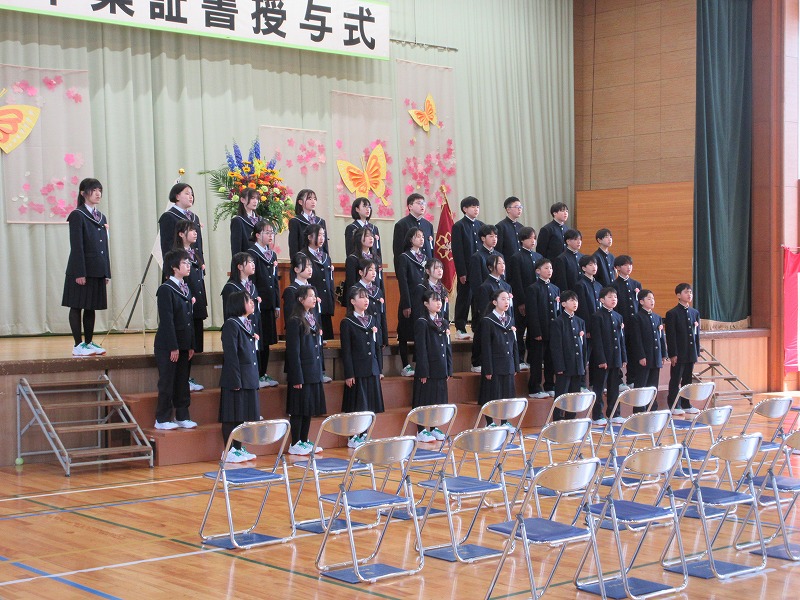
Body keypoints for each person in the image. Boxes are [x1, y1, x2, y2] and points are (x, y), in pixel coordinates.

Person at [62, 178, 110, 357]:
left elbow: (104, 247)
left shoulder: (101, 216)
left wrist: (106, 272)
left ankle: (88, 343)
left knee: (91, 307)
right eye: (93, 190)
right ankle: (78, 344)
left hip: (97, 269)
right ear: (83, 193)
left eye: (99, 190)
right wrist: (79, 272)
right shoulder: (77, 214)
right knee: (77, 306)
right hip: (81, 269)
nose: (98, 193)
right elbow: (77, 246)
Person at [154, 249, 196, 430]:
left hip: (184, 344)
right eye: (185, 263)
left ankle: (182, 416)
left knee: (182, 381)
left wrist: (191, 345)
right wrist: (173, 346)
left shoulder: (185, 288)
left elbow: (189, 320)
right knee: (167, 381)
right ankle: (162, 419)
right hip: (168, 345)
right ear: (174, 267)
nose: (188, 266)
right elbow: (167, 320)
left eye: (189, 262)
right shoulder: (166, 289)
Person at [218, 290, 259, 464]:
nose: (252, 303)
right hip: (236, 378)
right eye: (248, 300)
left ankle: (238, 448)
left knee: (241, 415)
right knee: (231, 416)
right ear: (238, 304)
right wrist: (235, 379)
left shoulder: (247, 324)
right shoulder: (231, 324)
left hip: (247, 377)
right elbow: (231, 355)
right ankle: (229, 450)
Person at [340, 286, 384, 448]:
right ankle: (353, 436)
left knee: (369, 405)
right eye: (361, 297)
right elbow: (346, 350)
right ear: (352, 301)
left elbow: (377, 346)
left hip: (372, 369)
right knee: (357, 405)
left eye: (367, 297)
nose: (366, 300)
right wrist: (349, 373)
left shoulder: (372, 320)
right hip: (357, 370)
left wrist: (379, 369)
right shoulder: (347, 322)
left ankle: (364, 434)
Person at [285, 286, 327, 455]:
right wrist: (296, 377)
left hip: (313, 370)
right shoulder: (295, 320)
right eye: (310, 296)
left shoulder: (312, 317)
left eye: (314, 295)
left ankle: (304, 439)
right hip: (301, 372)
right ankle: (295, 442)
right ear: (300, 299)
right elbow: (293, 351)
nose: (314, 298)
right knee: (298, 409)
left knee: (308, 408)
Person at [412, 289, 453, 442]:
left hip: (441, 368)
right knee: (424, 400)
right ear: (426, 304)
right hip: (428, 369)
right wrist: (423, 371)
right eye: (434, 300)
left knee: (438, 400)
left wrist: (449, 368)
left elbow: (447, 347)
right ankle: (421, 430)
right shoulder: (422, 322)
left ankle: (434, 427)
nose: (438, 303)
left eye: (439, 300)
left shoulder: (443, 322)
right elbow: (421, 348)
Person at [174, 221, 207, 392]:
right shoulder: (176, 255)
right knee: (185, 343)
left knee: (193, 343)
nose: (195, 233)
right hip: (185, 304)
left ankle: (187, 377)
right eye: (191, 230)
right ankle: (183, 378)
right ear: (181, 234)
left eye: (195, 230)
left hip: (197, 302)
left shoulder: (195, 252)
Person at [247, 221, 280, 388]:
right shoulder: (251, 253)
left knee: (266, 340)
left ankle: (263, 373)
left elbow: (274, 281)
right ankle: (256, 374)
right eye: (267, 232)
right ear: (258, 234)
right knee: (257, 339)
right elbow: (250, 281)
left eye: (272, 232)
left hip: (269, 303)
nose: (270, 235)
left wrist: (276, 304)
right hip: (256, 303)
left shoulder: (272, 255)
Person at [479, 289, 519, 426]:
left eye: (507, 299)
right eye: (503, 299)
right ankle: (490, 422)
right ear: (495, 302)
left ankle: (504, 421)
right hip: (494, 365)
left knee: (507, 396)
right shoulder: (488, 321)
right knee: (492, 394)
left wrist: (515, 365)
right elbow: (486, 347)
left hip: (508, 364)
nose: (506, 301)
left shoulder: (510, 320)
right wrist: (488, 369)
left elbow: (514, 344)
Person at [589, 287, 627, 425]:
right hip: (602, 359)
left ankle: (614, 413)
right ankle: (597, 415)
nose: (613, 299)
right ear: (602, 300)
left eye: (615, 297)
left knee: (614, 387)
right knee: (599, 388)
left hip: (615, 358)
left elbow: (621, 339)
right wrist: (601, 359)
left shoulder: (618, 316)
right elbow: (597, 340)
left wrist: (623, 357)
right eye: (610, 297)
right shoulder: (597, 316)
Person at [468, 224, 502, 372]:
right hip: (483, 299)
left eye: (496, 236)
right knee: (481, 331)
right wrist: (480, 301)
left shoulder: (499, 256)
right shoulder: (477, 257)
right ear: (483, 238)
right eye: (490, 236)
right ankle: (476, 362)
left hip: (499, 301)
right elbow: (476, 283)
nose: (494, 239)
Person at [525, 258, 560, 399]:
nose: (549, 270)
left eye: (550, 268)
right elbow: (532, 312)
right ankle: (535, 387)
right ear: (538, 271)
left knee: (551, 359)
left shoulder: (555, 289)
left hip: (552, 331)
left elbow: (557, 312)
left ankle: (550, 385)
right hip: (539, 331)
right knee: (537, 360)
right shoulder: (533, 288)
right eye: (546, 268)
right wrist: (536, 331)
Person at [628, 289, 668, 411]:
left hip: (656, 356)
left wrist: (663, 354)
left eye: (653, 298)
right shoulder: (637, 317)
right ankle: (639, 410)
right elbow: (636, 339)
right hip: (645, 357)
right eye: (649, 299)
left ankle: (652, 408)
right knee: (641, 385)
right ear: (641, 301)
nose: (652, 301)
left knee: (653, 385)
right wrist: (641, 356)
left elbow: (661, 338)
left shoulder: (657, 317)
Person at [508, 226, 542, 367]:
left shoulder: (538, 257)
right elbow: (516, 281)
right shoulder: (516, 257)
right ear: (522, 240)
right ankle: (520, 359)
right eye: (529, 238)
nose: (533, 241)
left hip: (536, 301)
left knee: (534, 330)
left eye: (534, 238)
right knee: (520, 330)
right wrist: (521, 302)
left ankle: (533, 359)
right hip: (522, 300)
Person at [549, 290, 586, 420]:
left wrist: (583, 364)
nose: (575, 303)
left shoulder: (580, 321)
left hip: (577, 364)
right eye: (571, 300)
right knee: (561, 394)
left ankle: (571, 419)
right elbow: (556, 347)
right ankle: (558, 419)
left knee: (574, 395)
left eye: (576, 300)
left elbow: (583, 346)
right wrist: (559, 366)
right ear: (563, 304)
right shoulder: (558, 322)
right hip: (564, 366)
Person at [450, 196, 483, 340]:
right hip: (466, 271)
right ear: (465, 209)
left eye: (477, 207)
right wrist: (462, 272)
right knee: (464, 299)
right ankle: (460, 328)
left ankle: (477, 326)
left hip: (480, 271)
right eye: (473, 207)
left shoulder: (481, 225)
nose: (476, 209)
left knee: (478, 299)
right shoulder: (459, 226)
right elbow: (458, 251)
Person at [396, 227, 427, 377]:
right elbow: (403, 282)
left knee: (420, 333)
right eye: (418, 236)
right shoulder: (404, 257)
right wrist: (406, 303)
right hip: (409, 300)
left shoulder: (425, 257)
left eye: (422, 237)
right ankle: (405, 365)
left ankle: (419, 362)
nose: (421, 239)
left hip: (423, 302)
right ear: (410, 239)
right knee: (404, 333)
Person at [665, 283, 701, 416]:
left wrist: (696, 351)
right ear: (679, 295)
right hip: (679, 353)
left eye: (690, 292)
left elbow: (696, 335)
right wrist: (673, 353)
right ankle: (674, 405)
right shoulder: (672, 313)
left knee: (687, 380)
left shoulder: (694, 313)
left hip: (690, 352)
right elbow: (671, 336)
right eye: (686, 292)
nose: (689, 295)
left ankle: (686, 404)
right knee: (676, 379)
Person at [300, 224, 335, 341]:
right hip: (311, 304)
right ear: (310, 237)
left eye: (323, 235)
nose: (322, 238)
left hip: (325, 303)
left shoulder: (326, 257)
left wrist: (331, 299)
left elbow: (329, 280)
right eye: (319, 235)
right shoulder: (302, 256)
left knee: (327, 339)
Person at [612, 254, 642, 388]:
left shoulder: (636, 284)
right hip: (620, 324)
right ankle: (618, 380)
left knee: (634, 350)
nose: (629, 267)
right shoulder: (614, 285)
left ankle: (632, 379)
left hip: (634, 324)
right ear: (618, 268)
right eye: (625, 265)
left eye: (630, 264)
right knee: (619, 350)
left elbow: (640, 304)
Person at [221, 253, 261, 351]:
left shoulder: (252, 286)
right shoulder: (231, 287)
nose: (253, 264)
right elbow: (229, 315)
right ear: (240, 267)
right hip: (240, 334)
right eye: (249, 262)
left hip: (253, 331)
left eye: (253, 262)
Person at [159, 182, 203, 263]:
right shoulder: (169, 216)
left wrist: (201, 262)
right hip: (179, 265)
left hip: (196, 264)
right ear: (177, 196)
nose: (191, 197)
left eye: (192, 194)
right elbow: (167, 246)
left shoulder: (194, 217)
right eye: (187, 194)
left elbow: (198, 244)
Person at [392, 192, 434, 262]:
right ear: (410, 206)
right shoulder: (401, 225)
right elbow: (398, 251)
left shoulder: (428, 225)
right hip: (410, 265)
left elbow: (431, 249)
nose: (422, 206)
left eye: (423, 203)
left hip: (427, 265)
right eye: (419, 203)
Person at [288, 189, 328, 260]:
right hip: (303, 261)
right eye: (309, 199)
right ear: (300, 202)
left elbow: (325, 245)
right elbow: (293, 246)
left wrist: (327, 261)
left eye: (314, 199)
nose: (313, 201)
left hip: (319, 259)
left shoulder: (321, 221)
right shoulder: (295, 221)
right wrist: (296, 262)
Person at [344, 226, 382, 296]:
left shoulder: (376, 258)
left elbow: (379, 281)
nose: (371, 238)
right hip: (359, 296)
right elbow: (351, 283)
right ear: (359, 239)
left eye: (372, 235)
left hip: (375, 295)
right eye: (367, 236)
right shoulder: (352, 259)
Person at [412, 257, 450, 322]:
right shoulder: (421, 288)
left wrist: (445, 325)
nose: (440, 270)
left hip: (440, 324)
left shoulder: (443, 289)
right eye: (436, 268)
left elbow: (445, 312)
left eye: (441, 268)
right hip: (426, 324)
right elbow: (418, 312)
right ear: (427, 271)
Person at [230, 188, 260, 257]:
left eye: (257, 198)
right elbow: (236, 248)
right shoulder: (238, 221)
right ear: (242, 200)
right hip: (247, 260)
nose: (255, 201)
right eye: (252, 198)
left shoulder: (261, 220)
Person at [552, 228, 583, 293]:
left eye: (580, 239)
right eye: (575, 239)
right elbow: (561, 281)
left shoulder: (582, 257)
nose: (579, 242)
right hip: (570, 293)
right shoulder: (561, 258)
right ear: (568, 241)